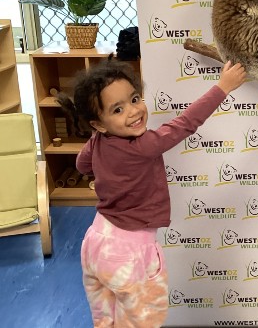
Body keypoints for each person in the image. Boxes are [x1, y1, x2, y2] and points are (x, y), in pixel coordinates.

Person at [66, 57, 246, 327]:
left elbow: (82, 165)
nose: (133, 111)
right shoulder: (142, 146)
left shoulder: (99, 139)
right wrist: (222, 87)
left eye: (135, 99)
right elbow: (186, 123)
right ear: (99, 123)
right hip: (129, 252)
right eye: (117, 110)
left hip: (96, 243)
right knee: (143, 321)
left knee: (105, 319)